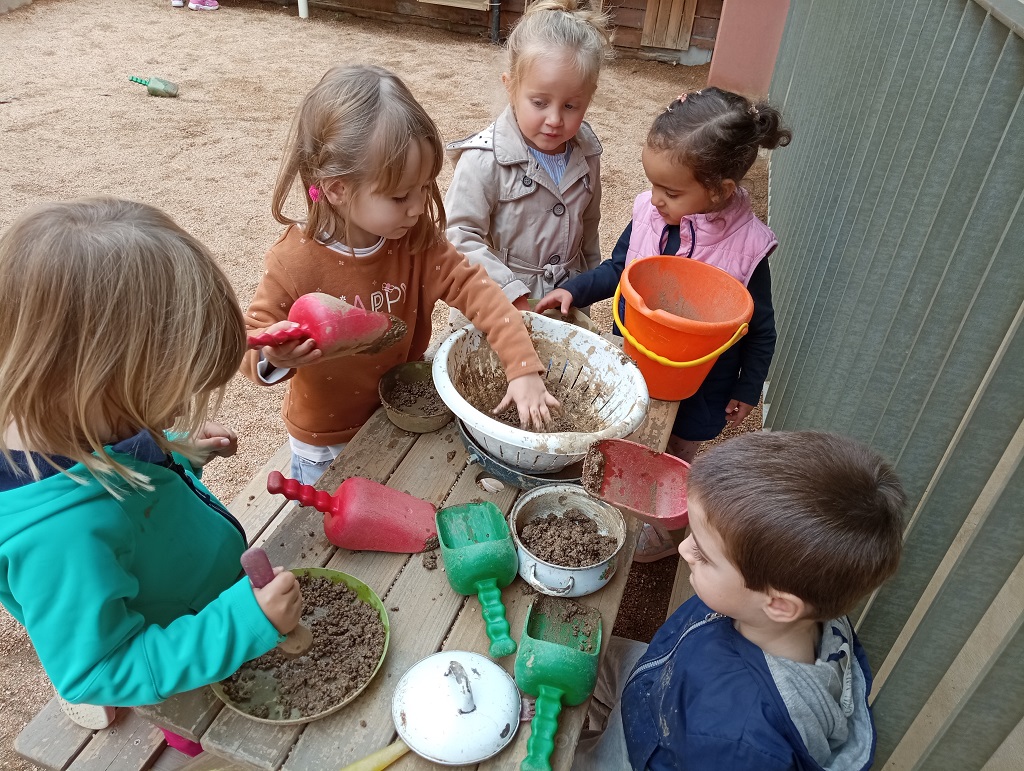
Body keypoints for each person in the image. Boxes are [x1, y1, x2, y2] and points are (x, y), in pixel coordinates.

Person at [0, 198, 302, 747]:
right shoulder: (60, 538)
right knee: (205, 737)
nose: (176, 410)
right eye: (167, 398)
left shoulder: (74, 419)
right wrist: (241, 626)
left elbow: (117, 473)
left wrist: (172, 450)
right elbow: (101, 667)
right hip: (179, 664)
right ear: (99, 387)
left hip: (202, 596)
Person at [241, 65, 559, 485]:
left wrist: (522, 367)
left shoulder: (415, 241)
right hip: (325, 440)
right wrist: (274, 356)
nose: (417, 207)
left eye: (424, 187)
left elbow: (477, 290)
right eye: (399, 196)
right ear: (336, 189)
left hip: (402, 416)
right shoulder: (293, 261)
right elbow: (249, 341)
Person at [536, 86, 792, 561]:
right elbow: (620, 268)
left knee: (673, 452)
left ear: (720, 191)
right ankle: (613, 492)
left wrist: (747, 386)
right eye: (652, 184)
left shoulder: (746, 249)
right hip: (638, 358)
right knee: (626, 430)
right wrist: (576, 289)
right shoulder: (650, 216)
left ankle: (656, 524)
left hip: (703, 380)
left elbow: (760, 329)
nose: (655, 200)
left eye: (671, 192)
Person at [571, 431, 906, 771]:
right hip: (663, 679)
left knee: (561, 755)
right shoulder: (779, 607)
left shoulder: (737, 741)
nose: (684, 549)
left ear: (779, 605)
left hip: (648, 751)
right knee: (579, 650)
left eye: (704, 555)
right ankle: (601, 716)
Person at [442, 0, 613, 315]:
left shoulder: (587, 156)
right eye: (539, 102)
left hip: (562, 306)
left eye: (571, 106)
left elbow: (589, 228)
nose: (555, 119)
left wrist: (585, 289)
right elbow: (458, 236)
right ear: (510, 87)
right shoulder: (484, 160)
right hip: (496, 308)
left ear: (589, 97)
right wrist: (508, 290)